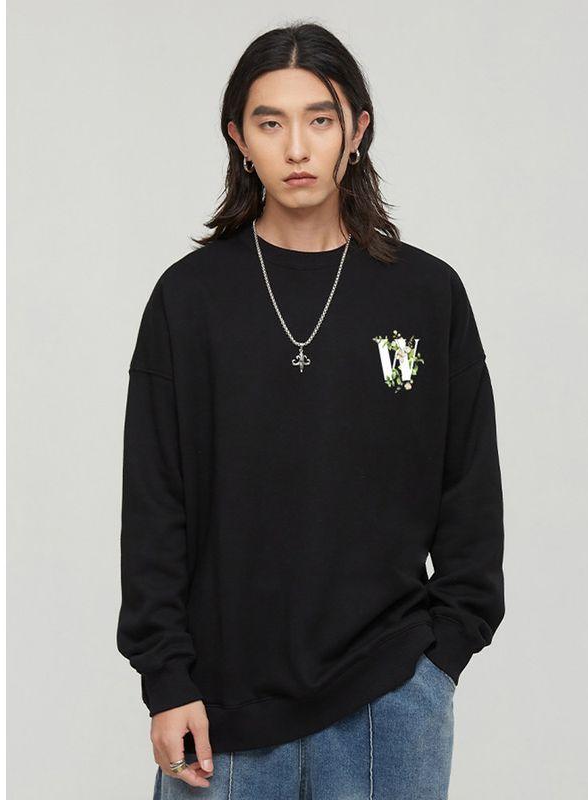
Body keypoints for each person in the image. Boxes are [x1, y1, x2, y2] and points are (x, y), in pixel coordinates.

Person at [116, 21, 505, 800]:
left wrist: (438, 663)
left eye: (319, 119)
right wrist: (166, 679)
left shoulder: (426, 295)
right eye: (271, 123)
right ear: (239, 138)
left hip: (389, 701)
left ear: (356, 131)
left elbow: (469, 491)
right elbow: (156, 504)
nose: (296, 147)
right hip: (218, 708)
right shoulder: (189, 301)